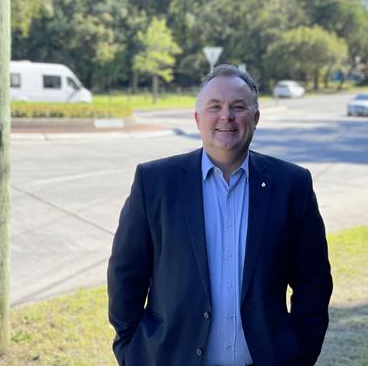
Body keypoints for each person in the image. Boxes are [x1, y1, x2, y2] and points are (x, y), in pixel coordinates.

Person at [107, 64, 333, 366]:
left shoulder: (292, 185)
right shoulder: (155, 182)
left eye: (238, 107)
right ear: (198, 118)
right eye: (215, 107)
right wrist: (131, 348)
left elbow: (314, 281)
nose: (226, 116)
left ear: (255, 118)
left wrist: (300, 350)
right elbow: (126, 273)